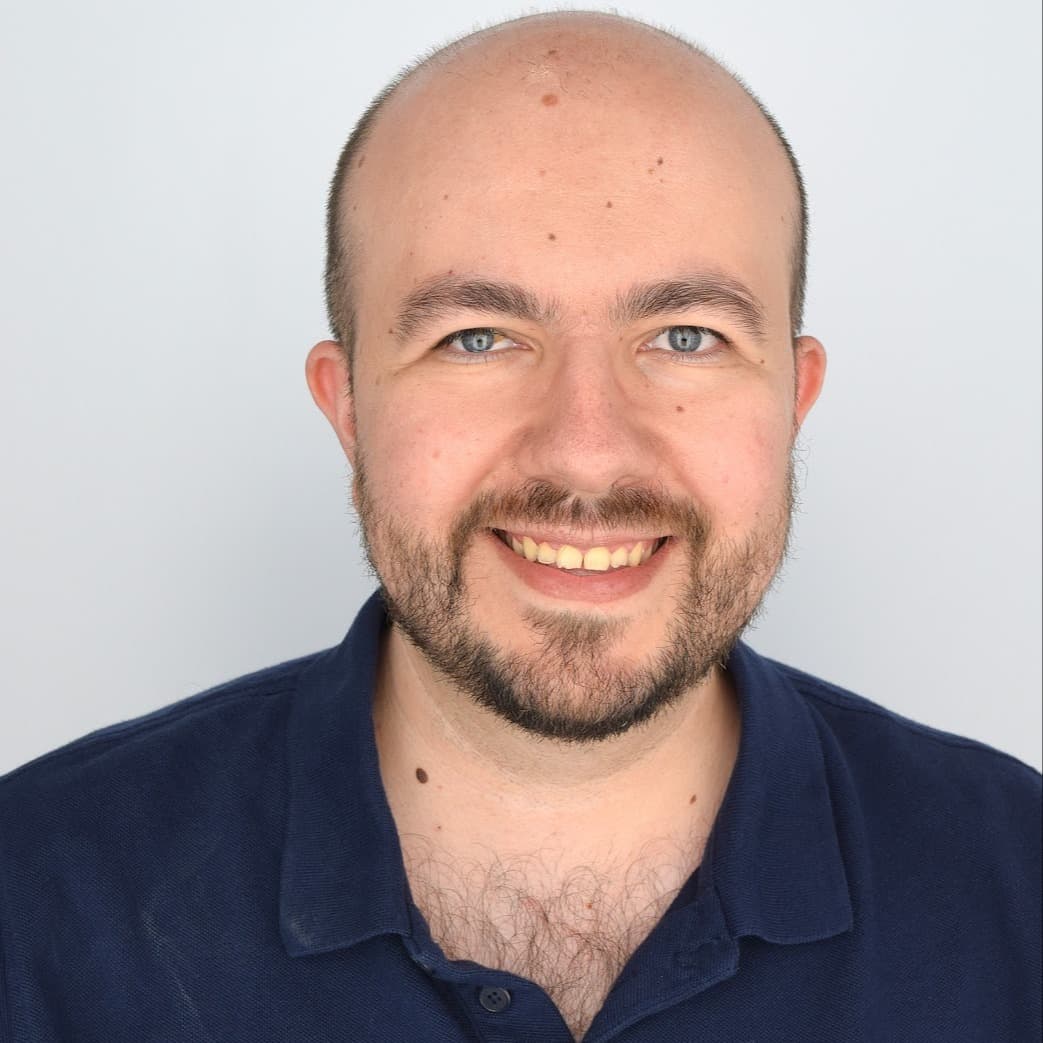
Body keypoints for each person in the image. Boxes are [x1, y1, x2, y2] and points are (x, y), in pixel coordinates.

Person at [0, 11, 1038, 1042]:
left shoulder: (1019, 893)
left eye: (685, 336)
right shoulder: (34, 902)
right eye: (478, 338)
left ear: (791, 398)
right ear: (347, 405)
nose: (586, 451)